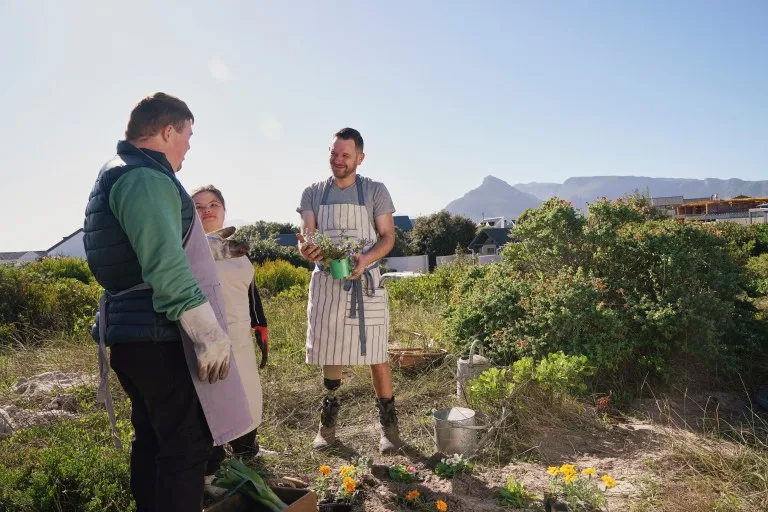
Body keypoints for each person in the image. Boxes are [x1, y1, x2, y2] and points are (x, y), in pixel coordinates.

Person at [83, 92, 252, 512]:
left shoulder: (120, 171)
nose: (189, 147)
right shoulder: (144, 176)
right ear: (167, 130)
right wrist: (208, 333)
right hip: (158, 335)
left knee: (154, 440)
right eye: (188, 136)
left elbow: (143, 252)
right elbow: (164, 265)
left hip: (134, 335)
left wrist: (209, 253)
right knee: (186, 446)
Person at [296, 127, 401, 454]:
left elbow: (388, 236)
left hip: (366, 282)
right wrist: (307, 249)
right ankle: (327, 428)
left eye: (345, 155)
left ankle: (389, 428)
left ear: (360, 158)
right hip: (328, 282)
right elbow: (307, 234)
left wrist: (365, 259)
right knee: (330, 351)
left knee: (377, 353)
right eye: (334, 153)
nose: (338, 160)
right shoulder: (313, 193)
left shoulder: (375, 191)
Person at [190, 184, 269, 487]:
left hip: (241, 337)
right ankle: (210, 469)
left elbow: (250, 291)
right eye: (198, 207)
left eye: (214, 204)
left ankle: (247, 450)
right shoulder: (185, 250)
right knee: (213, 402)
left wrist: (260, 325)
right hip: (208, 339)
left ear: (224, 210)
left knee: (248, 394)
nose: (207, 211)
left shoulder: (237, 249)